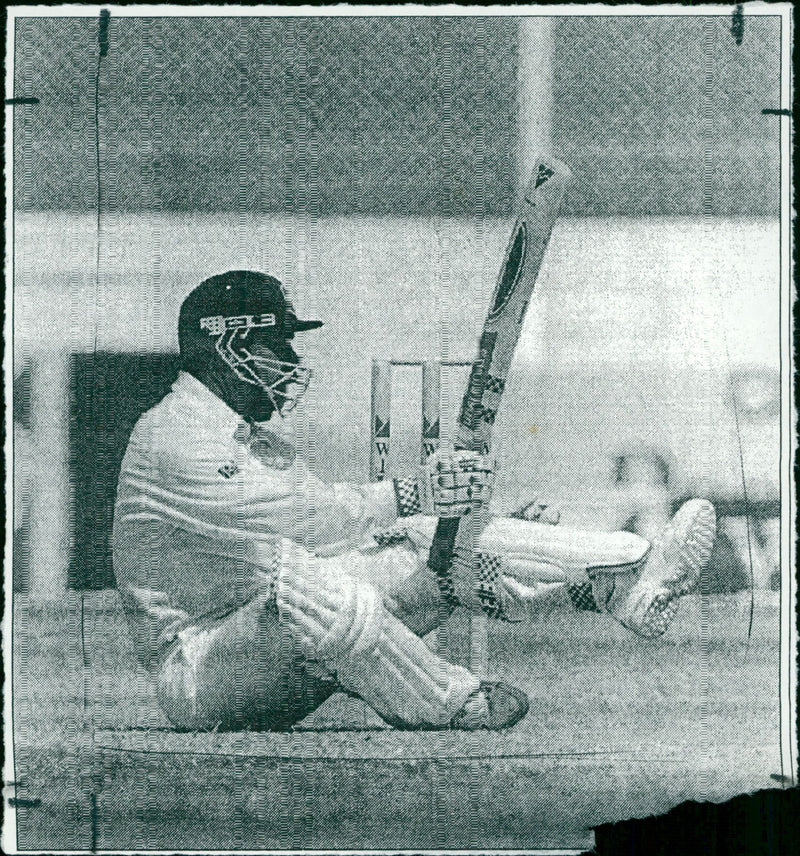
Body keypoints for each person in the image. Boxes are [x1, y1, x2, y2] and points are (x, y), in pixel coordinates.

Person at [113, 270, 716, 733]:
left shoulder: (257, 442)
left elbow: (356, 531)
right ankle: (449, 699)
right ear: (227, 346)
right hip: (204, 670)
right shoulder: (172, 436)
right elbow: (310, 524)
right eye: (277, 346)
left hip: (284, 643)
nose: (292, 363)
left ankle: (625, 574)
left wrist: (472, 525)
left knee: (431, 542)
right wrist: (410, 491)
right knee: (301, 580)